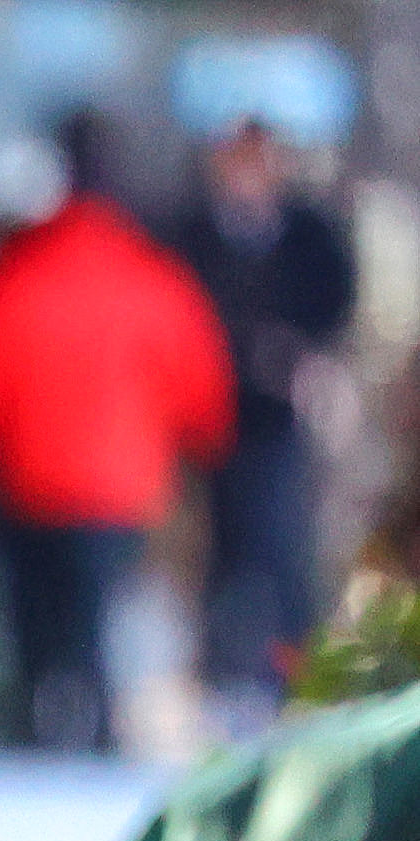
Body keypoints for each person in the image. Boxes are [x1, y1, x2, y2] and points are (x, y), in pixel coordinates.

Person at [0, 117, 234, 751]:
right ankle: (94, 733)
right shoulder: (153, 277)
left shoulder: (17, 275)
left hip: (31, 483)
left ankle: (35, 725)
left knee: (36, 623)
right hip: (122, 486)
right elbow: (201, 388)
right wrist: (198, 448)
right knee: (95, 615)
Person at [165, 114, 358, 721]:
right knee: (218, 551)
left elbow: (334, 298)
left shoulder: (308, 234)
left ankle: (293, 679)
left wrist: (295, 354)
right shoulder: (193, 234)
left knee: (281, 547)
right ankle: (222, 678)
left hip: (280, 418)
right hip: (207, 418)